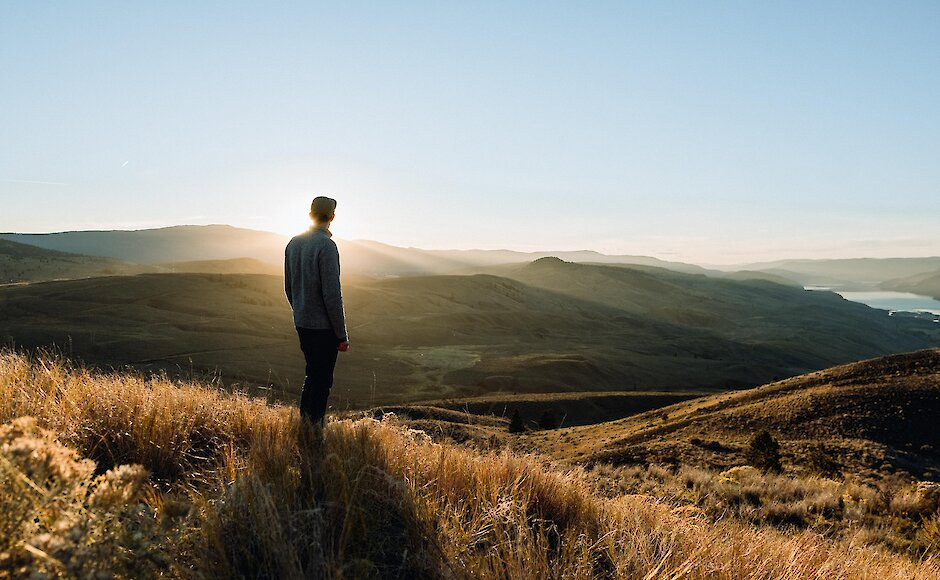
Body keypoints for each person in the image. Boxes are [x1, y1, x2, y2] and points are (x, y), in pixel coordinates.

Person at [284, 196, 349, 427]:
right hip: (323, 328)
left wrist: (300, 311)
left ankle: (305, 425)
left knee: (312, 375)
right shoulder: (326, 246)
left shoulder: (293, 243)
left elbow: (288, 287)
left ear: (310, 213)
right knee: (322, 381)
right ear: (332, 217)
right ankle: (314, 431)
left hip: (302, 322)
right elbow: (332, 295)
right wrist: (341, 335)